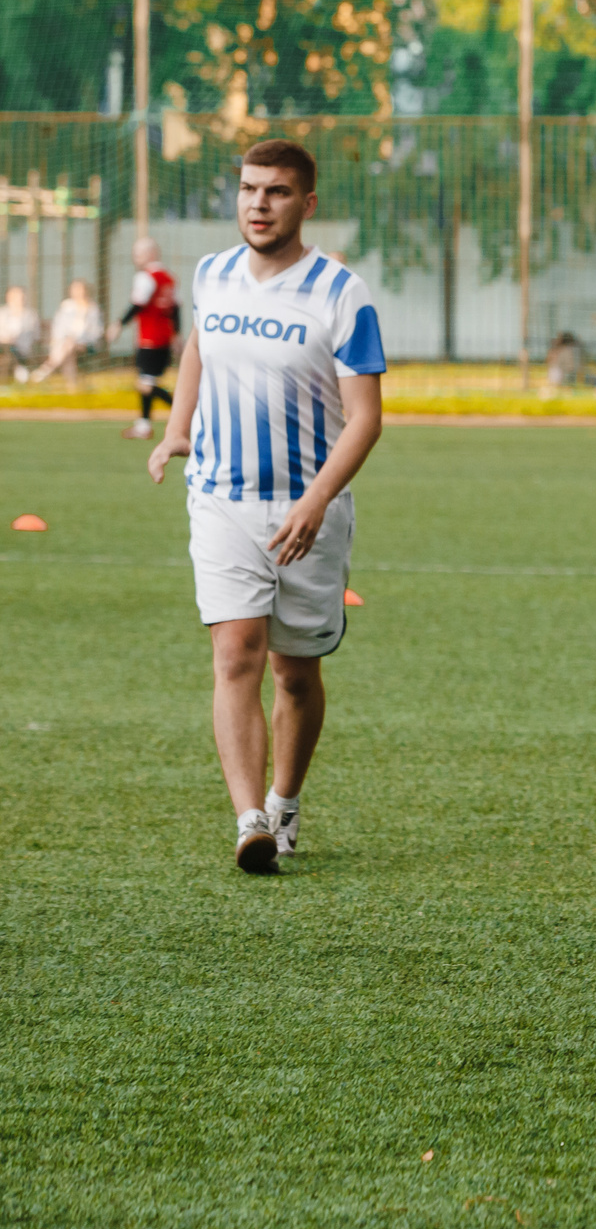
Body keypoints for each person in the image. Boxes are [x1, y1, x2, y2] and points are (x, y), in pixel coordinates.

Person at [146, 138, 386, 874]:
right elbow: (197, 347)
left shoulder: (342, 292)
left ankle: (284, 799)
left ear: (306, 203)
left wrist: (317, 501)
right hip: (219, 498)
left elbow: (366, 416)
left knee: (294, 671)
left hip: (305, 511)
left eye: (276, 192)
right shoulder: (213, 273)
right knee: (235, 652)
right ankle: (249, 819)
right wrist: (177, 428)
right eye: (249, 189)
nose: (258, 203)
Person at [120, 237, 182, 439]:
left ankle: (185, 413)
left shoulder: (146, 277)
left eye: (138, 253)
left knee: (146, 384)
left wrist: (119, 324)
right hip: (165, 336)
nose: (135, 258)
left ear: (151, 254)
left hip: (150, 337)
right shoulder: (169, 278)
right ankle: (143, 425)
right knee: (148, 381)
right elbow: (175, 308)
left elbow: (138, 304)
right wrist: (177, 334)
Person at [29, 279, 104, 383]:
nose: (76, 292)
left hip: (87, 345)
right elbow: (58, 328)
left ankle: (46, 369)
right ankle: (71, 385)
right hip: (65, 344)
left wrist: (82, 342)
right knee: (69, 348)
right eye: (74, 289)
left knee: (69, 346)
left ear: (86, 290)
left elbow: (96, 332)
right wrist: (64, 340)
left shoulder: (93, 309)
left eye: (79, 289)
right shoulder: (66, 307)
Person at [0, 284, 36, 379]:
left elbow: (32, 334)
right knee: (7, 347)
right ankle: (20, 369)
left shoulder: (30, 315)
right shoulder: (2, 313)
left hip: (21, 347)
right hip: (3, 345)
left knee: (10, 351)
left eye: (20, 296)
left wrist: (15, 339)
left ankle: (16, 371)